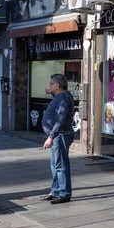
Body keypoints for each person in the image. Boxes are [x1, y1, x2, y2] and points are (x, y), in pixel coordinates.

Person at [40, 74, 75, 204]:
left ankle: (64, 193)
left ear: (57, 85)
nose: (48, 86)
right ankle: (55, 190)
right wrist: (51, 93)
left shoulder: (64, 98)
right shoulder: (61, 96)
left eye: (50, 84)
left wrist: (51, 136)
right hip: (57, 136)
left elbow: (61, 119)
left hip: (60, 135)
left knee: (60, 165)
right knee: (55, 165)